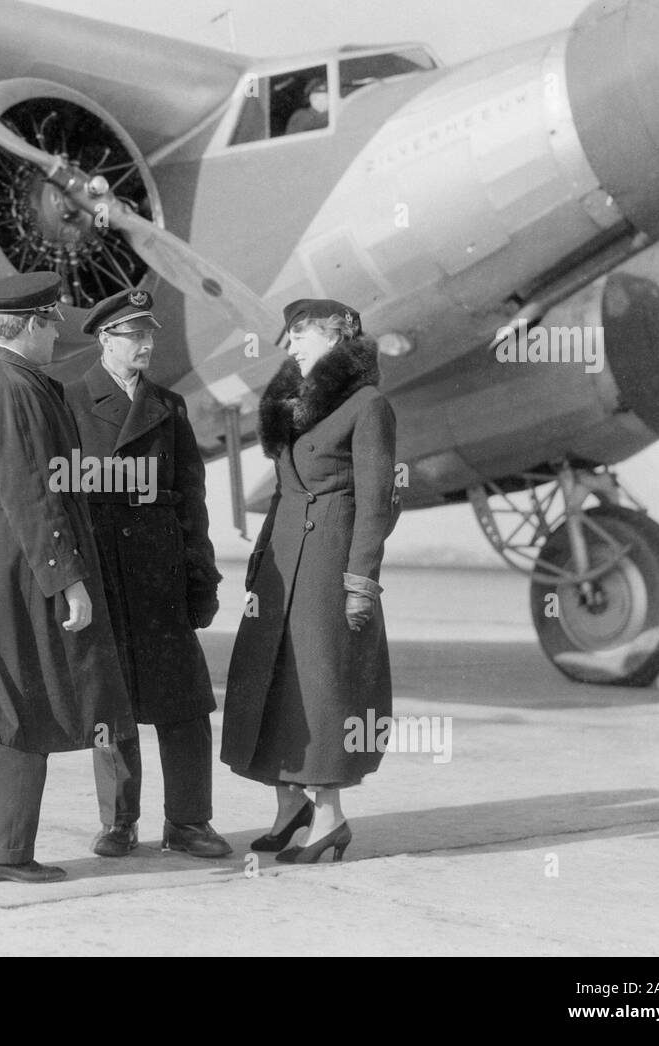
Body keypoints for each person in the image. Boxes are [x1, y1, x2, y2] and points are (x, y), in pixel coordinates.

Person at [0, 271, 133, 884]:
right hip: (15, 559)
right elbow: (30, 491)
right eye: (52, 322)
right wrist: (66, 578)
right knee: (24, 699)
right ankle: (4, 852)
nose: (58, 333)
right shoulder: (13, 387)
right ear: (29, 325)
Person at [220, 299, 397, 863]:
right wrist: (259, 563)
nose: (289, 346)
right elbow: (283, 492)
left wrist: (360, 582)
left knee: (322, 690)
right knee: (272, 681)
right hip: (283, 564)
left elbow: (375, 504)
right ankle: (288, 806)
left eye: (300, 335)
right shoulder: (291, 405)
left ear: (336, 337)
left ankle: (329, 818)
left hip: (328, 565)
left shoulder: (369, 407)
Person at [63, 288, 230, 860]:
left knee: (184, 703)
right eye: (136, 335)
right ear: (106, 339)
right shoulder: (71, 402)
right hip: (106, 572)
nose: (147, 344)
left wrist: (199, 574)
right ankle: (119, 822)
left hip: (160, 574)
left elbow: (191, 498)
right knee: (114, 706)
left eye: (150, 334)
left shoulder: (169, 405)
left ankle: (188, 822)